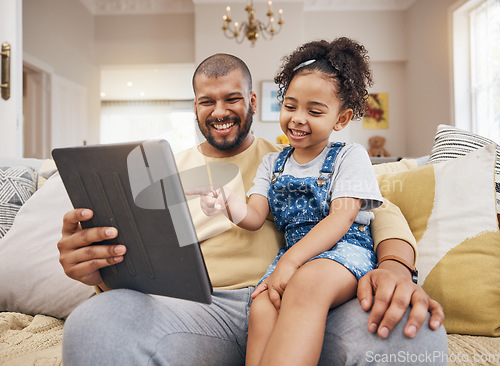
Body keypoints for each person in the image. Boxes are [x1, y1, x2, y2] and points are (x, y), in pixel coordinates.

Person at [59, 49, 447, 365]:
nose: (220, 112)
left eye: (232, 99)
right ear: (194, 106)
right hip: (197, 310)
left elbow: (377, 210)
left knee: (414, 334)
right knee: (94, 327)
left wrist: (396, 267)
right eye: (206, 101)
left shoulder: (295, 157)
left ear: (253, 101)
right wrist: (96, 270)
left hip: (303, 299)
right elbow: (136, 263)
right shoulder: (158, 173)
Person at [188, 38, 385, 366]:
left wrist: (291, 264)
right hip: (291, 257)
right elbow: (253, 216)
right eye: (290, 106)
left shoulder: (350, 156)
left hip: (342, 250)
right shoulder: (272, 163)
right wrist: (226, 202)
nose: (297, 118)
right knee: (263, 305)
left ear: (342, 119)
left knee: (306, 286)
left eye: (315, 111)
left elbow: (340, 219)